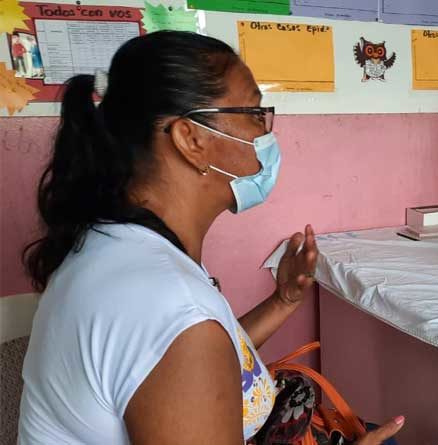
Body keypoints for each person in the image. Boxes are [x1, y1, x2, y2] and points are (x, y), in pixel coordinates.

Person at [18, 31, 404, 444]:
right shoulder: (165, 300)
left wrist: (283, 300)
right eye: (255, 113)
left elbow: (199, 362)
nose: (267, 135)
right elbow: (184, 346)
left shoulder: (125, 246)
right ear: (192, 139)